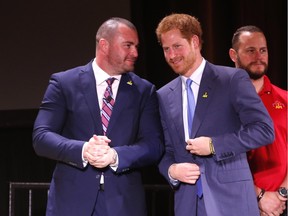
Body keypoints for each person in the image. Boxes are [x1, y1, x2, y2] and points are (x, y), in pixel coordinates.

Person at [32, 17, 164, 216]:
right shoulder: (64, 83)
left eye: (136, 46)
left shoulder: (144, 91)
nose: (135, 53)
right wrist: (83, 150)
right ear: (104, 45)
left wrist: (116, 155)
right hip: (71, 203)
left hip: (123, 204)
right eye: (128, 46)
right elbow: (41, 137)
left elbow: (154, 145)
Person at [155, 13, 275, 216]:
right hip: (188, 205)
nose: (171, 55)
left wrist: (213, 145)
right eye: (166, 49)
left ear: (194, 42)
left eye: (177, 46)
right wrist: (171, 171)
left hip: (231, 201)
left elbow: (264, 130)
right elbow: (167, 150)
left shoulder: (231, 79)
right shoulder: (164, 95)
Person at [229, 25, 287, 216]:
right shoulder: (222, 102)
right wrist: (260, 197)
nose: (258, 56)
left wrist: (280, 195)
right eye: (250, 50)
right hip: (237, 203)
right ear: (233, 55)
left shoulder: (285, 99)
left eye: (263, 50)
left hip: (281, 206)